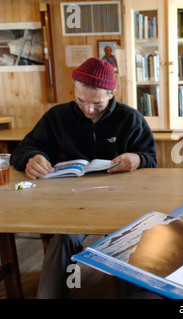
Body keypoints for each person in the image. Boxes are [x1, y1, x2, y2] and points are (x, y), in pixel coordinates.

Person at [11, 57, 157, 298]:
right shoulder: (57, 117)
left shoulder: (130, 119)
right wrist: (32, 158)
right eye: (81, 102)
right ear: (74, 91)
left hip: (122, 203)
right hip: (71, 202)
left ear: (111, 93)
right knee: (63, 238)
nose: (89, 110)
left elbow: (151, 158)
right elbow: (25, 148)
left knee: (126, 242)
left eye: (97, 103)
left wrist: (138, 159)